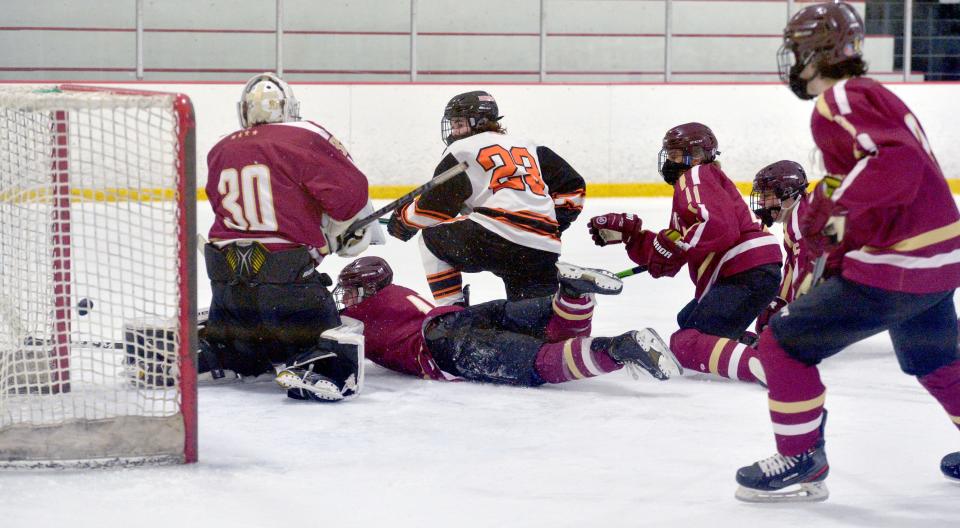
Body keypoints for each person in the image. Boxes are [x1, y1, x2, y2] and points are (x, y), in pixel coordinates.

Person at [734, 2, 960, 503]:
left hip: (898, 263)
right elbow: (876, 172)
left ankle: (800, 458)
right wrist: (832, 226)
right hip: (936, 261)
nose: (793, 61)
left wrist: (835, 209)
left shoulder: (837, 100)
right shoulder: (871, 93)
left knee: (781, 344)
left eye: (797, 51)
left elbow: (892, 166)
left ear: (815, 54)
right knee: (936, 358)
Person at [275, 257, 682, 399]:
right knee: (554, 330)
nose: (346, 297)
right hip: (458, 317)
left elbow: (314, 334)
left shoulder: (356, 315)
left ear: (365, 289)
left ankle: (618, 348)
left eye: (351, 290)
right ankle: (572, 296)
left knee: (536, 364)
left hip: (441, 346)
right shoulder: (396, 292)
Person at [200, 72, 383, 387]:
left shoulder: (220, 148)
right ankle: (315, 363)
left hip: (227, 291)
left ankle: (221, 353)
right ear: (288, 107)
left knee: (244, 348)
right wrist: (335, 234)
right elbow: (350, 197)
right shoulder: (304, 135)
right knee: (326, 346)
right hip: (289, 289)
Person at [588, 123, 782, 385]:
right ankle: (758, 347)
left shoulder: (696, 176)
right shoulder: (698, 187)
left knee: (685, 343)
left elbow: (718, 227)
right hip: (752, 270)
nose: (670, 161)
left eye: (677, 155)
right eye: (669, 154)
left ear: (698, 155)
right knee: (686, 320)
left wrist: (677, 246)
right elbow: (668, 259)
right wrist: (633, 238)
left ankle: (763, 366)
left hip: (745, 270)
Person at [386, 90, 586, 306]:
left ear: (480, 121)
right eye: (453, 124)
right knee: (532, 316)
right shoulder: (530, 146)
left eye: (459, 123)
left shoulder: (462, 149)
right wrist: (549, 225)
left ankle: (452, 313)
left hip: (494, 241)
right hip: (541, 249)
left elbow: (433, 210)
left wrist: (403, 220)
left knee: (430, 239)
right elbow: (573, 187)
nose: (454, 130)